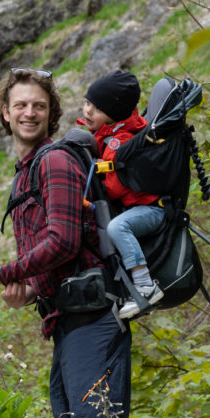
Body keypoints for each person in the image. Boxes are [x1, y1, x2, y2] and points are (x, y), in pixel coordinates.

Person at [0, 67, 131, 418]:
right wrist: (29, 288)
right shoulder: (25, 172)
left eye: (39, 105)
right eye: (21, 105)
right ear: (5, 112)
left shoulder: (53, 161)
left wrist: (1, 275)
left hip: (93, 318)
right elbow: (63, 254)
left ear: (51, 112)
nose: (29, 112)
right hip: (69, 319)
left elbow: (64, 240)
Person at [80, 70, 164, 319]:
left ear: (113, 116)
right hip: (142, 206)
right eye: (86, 103)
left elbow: (114, 189)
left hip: (154, 210)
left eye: (94, 109)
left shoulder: (120, 142)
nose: (86, 112)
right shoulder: (113, 132)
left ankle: (146, 287)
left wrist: (97, 178)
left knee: (118, 228)